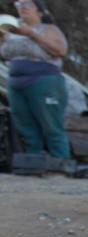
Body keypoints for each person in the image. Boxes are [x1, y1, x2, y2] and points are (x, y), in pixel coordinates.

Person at [0, 0, 70, 161]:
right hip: (16, 83)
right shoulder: (9, 33)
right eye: (20, 4)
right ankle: (33, 162)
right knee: (25, 125)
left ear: (40, 12)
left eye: (28, 5)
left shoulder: (48, 29)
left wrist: (31, 34)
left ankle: (61, 162)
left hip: (45, 81)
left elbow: (60, 50)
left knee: (51, 124)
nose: (23, 7)